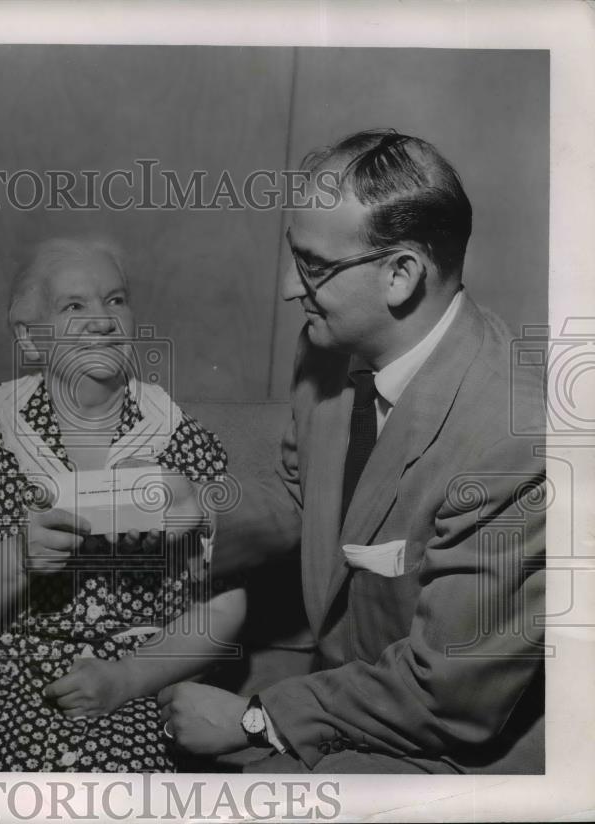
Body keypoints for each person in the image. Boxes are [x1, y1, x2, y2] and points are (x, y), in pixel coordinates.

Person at [158, 129, 546, 774]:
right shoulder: (331, 341)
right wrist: (195, 515)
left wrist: (256, 717)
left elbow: (449, 697)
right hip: (346, 693)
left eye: (312, 266)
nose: (288, 287)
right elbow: (310, 499)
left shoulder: (517, 442)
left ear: (400, 275)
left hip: (443, 742)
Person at [0, 237, 246, 772]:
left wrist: (126, 679)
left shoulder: (185, 446)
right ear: (30, 337)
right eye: (74, 306)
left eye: (116, 300)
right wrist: (17, 558)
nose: (103, 320)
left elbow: (225, 607)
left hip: (129, 697)